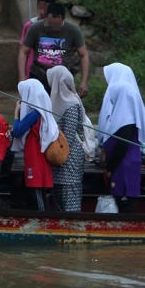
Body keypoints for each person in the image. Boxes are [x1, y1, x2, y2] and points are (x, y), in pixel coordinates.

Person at [99, 78, 145, 213]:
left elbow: (121, 146)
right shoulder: (122, 115)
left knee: (124, 203)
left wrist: (109, 167)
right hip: (123, 165)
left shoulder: (126, 119)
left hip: (122, 166)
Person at [18, 2, 89, 96]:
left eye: (57, 25)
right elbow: (23, 52)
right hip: (39, 75)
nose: (54, 29)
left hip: (62, 78)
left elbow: (83, 55)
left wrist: (84, 81)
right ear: (46, 18)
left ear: (63, 19)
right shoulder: (35, 28)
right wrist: (22, 77)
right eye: (51, 25)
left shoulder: (73, 31)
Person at [11, 79, 58, 211]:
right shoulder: (44, 112)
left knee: (36, 189)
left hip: (35, 154)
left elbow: (17, 131)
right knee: (40, 190)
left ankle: (42, 220)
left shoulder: (34, 114)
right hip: (40, 154)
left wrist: (16, 113)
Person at [47, 66, 86, 211]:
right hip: (59, 159)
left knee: (70, 202)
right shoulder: (58, 103)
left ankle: (73, 232)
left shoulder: (70, 104)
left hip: (69, 160)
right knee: (58, 201)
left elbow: (68, 136)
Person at [19, 0, 56, 78]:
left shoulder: (58, 27)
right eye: (40, 8)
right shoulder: (30, 25)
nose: (43, 12)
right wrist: (22, 76)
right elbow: (23, 52)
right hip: (32, 72)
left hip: (51, 73)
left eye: (46, 9)